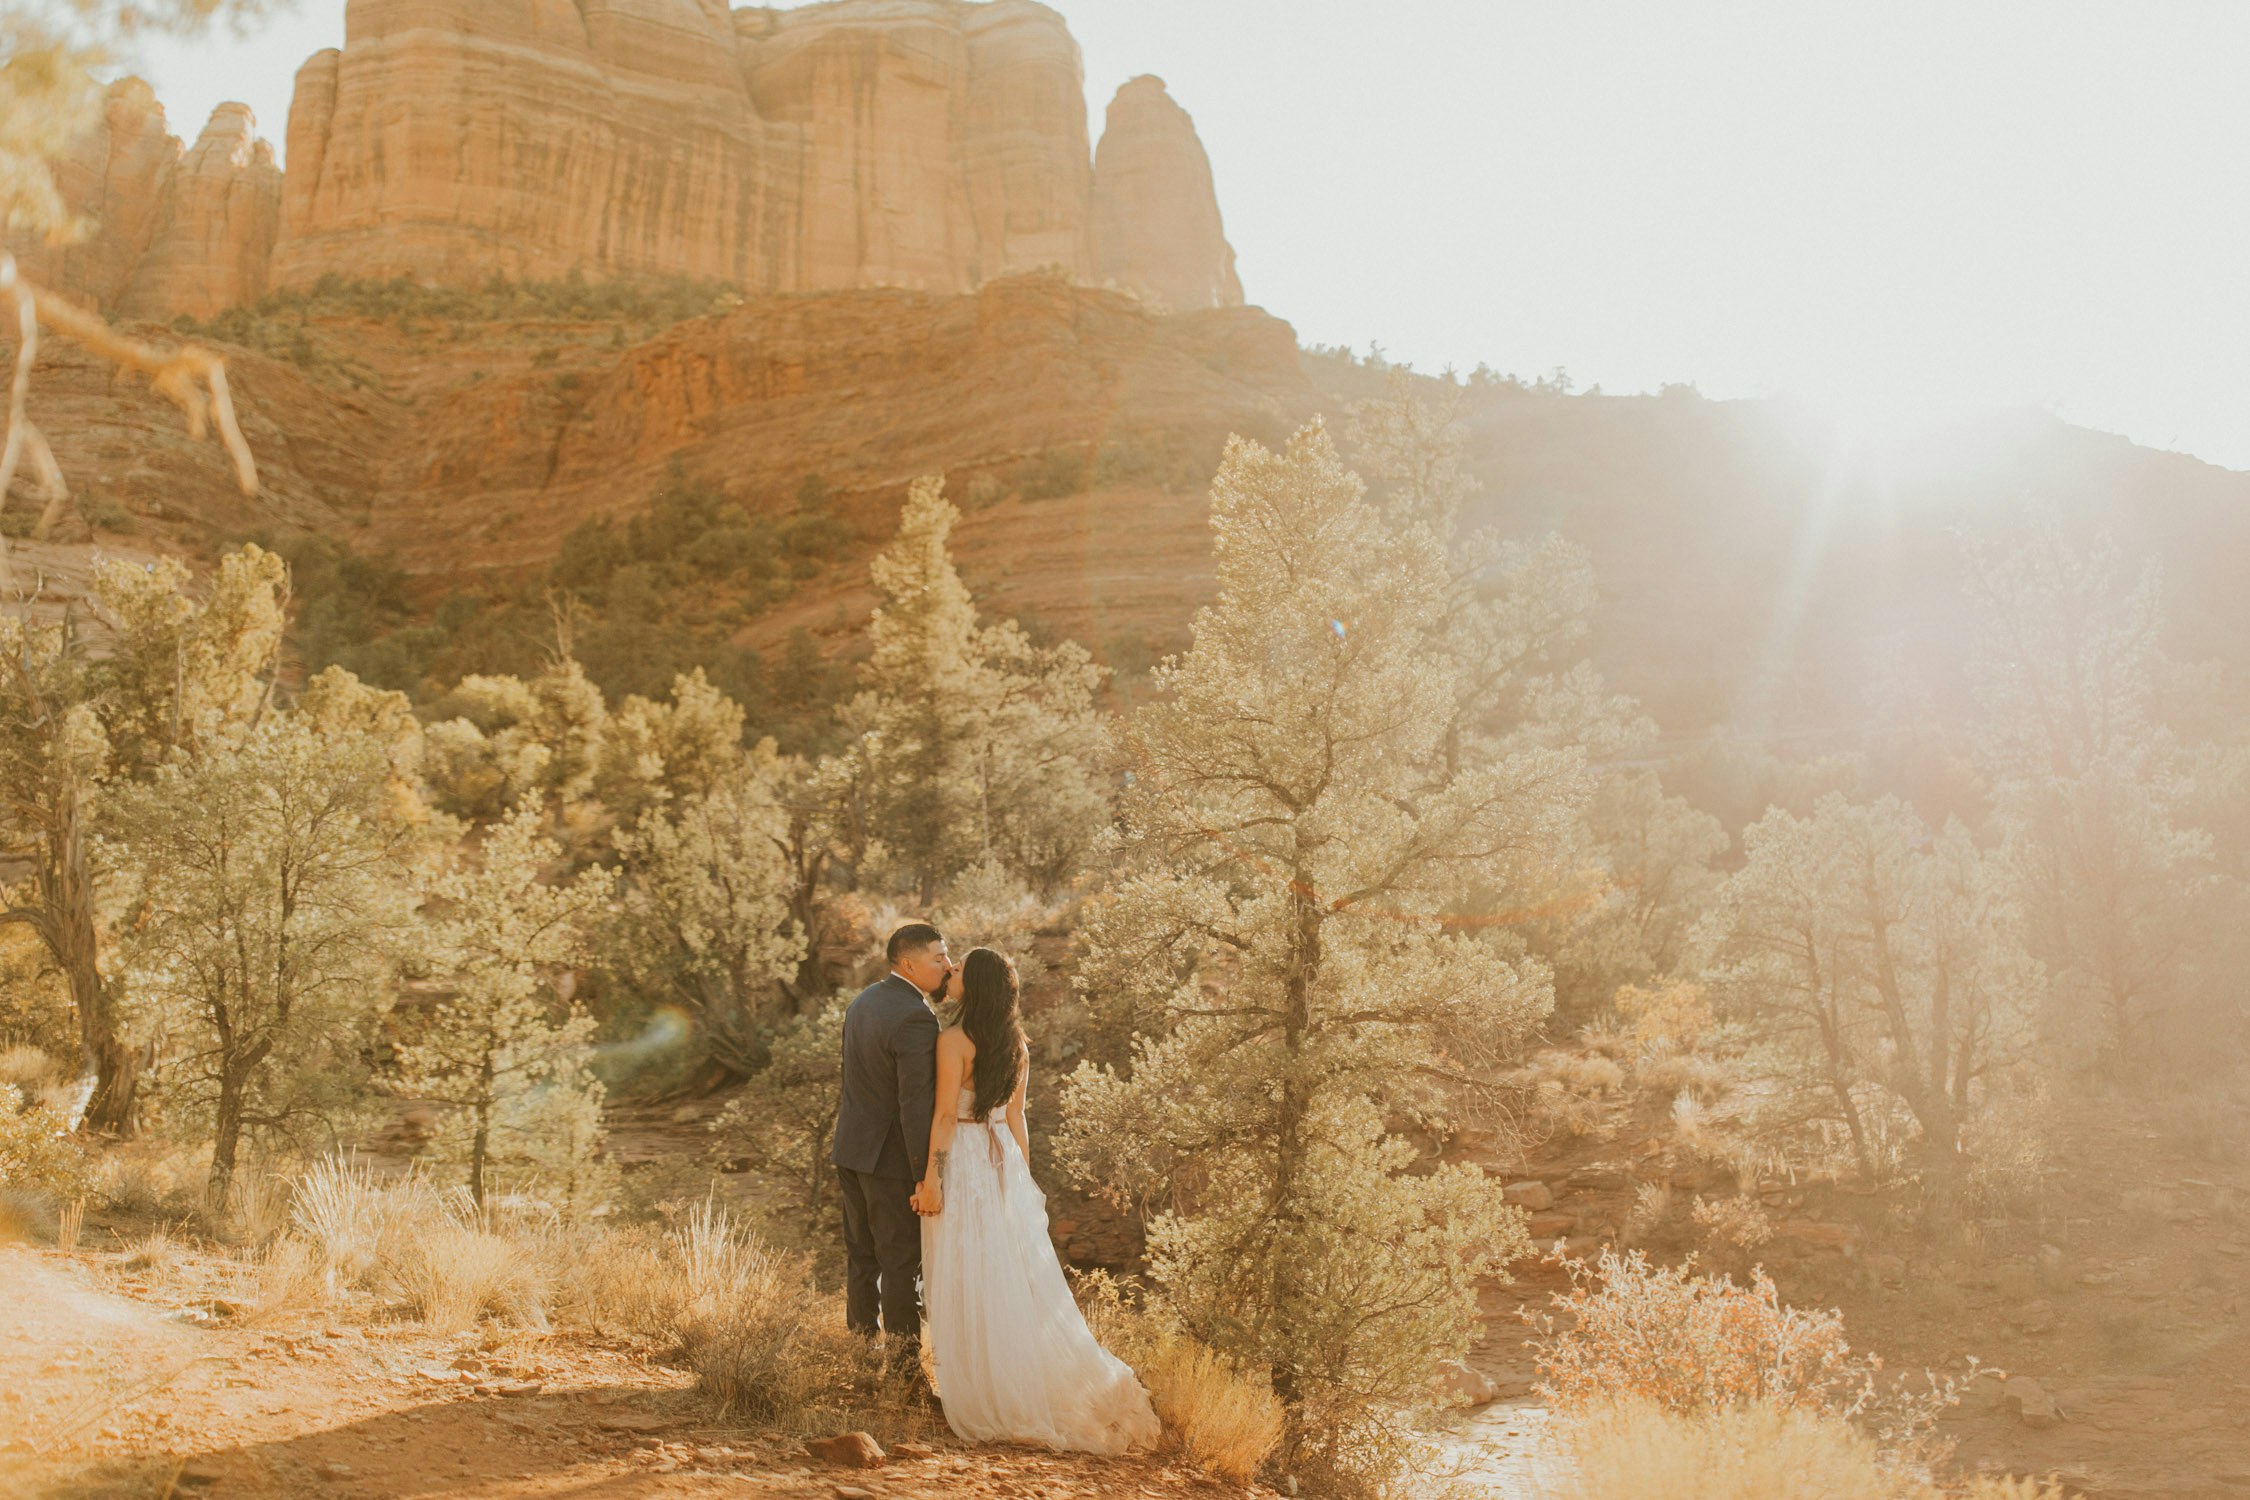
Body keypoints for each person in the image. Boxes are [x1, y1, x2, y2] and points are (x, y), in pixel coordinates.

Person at [914, 947, 1160, 1452]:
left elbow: (943, 1116)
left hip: (963, 1157)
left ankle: (987, 1389)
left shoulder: (954, 1040)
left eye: (958, 969)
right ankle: (1009, 1378)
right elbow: (1016, 1117)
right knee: (1005, 1273)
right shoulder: (1017, 1044)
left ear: (974, 984)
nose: (950, 972)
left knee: (968, 1268)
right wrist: (1022, 1178)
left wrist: (932, 1180)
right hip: (1001, 1157)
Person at [831, 922, 950, 1392]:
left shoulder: (863, 1002)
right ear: (908, 964)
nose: (946, 965)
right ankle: (904, 1378)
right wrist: (927, 1176)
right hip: (890, 1161)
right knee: (901, 1263)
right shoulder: (915, 1016)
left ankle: (862, 1364)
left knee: (862, 1259)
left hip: (852, 1150)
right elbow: (914, 1104)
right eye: (938, 957)